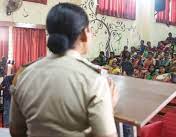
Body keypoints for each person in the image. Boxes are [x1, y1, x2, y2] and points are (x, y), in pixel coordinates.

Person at [10, 3, 118, 137]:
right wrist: (108, 108)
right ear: (84, 33)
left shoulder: (24, 75)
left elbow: (16, 131)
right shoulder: (94, 80)